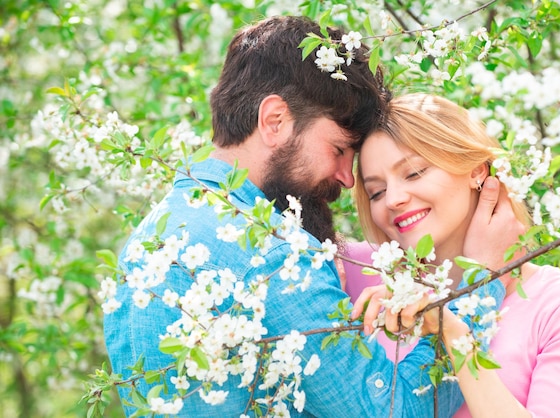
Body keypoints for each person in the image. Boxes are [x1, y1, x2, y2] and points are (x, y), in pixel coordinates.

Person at [103, 16, 522, 417]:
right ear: (275, 120)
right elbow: (394, 408)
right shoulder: (269, 251)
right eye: (339, 150)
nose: (345, 179)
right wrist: (482, 280)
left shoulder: (146, 244)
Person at [349, 93, 560, 417]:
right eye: (376, 191)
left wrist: (453, 331)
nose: (393, 199)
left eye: (414, 173)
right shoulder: (352, 270)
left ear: (476, 170)